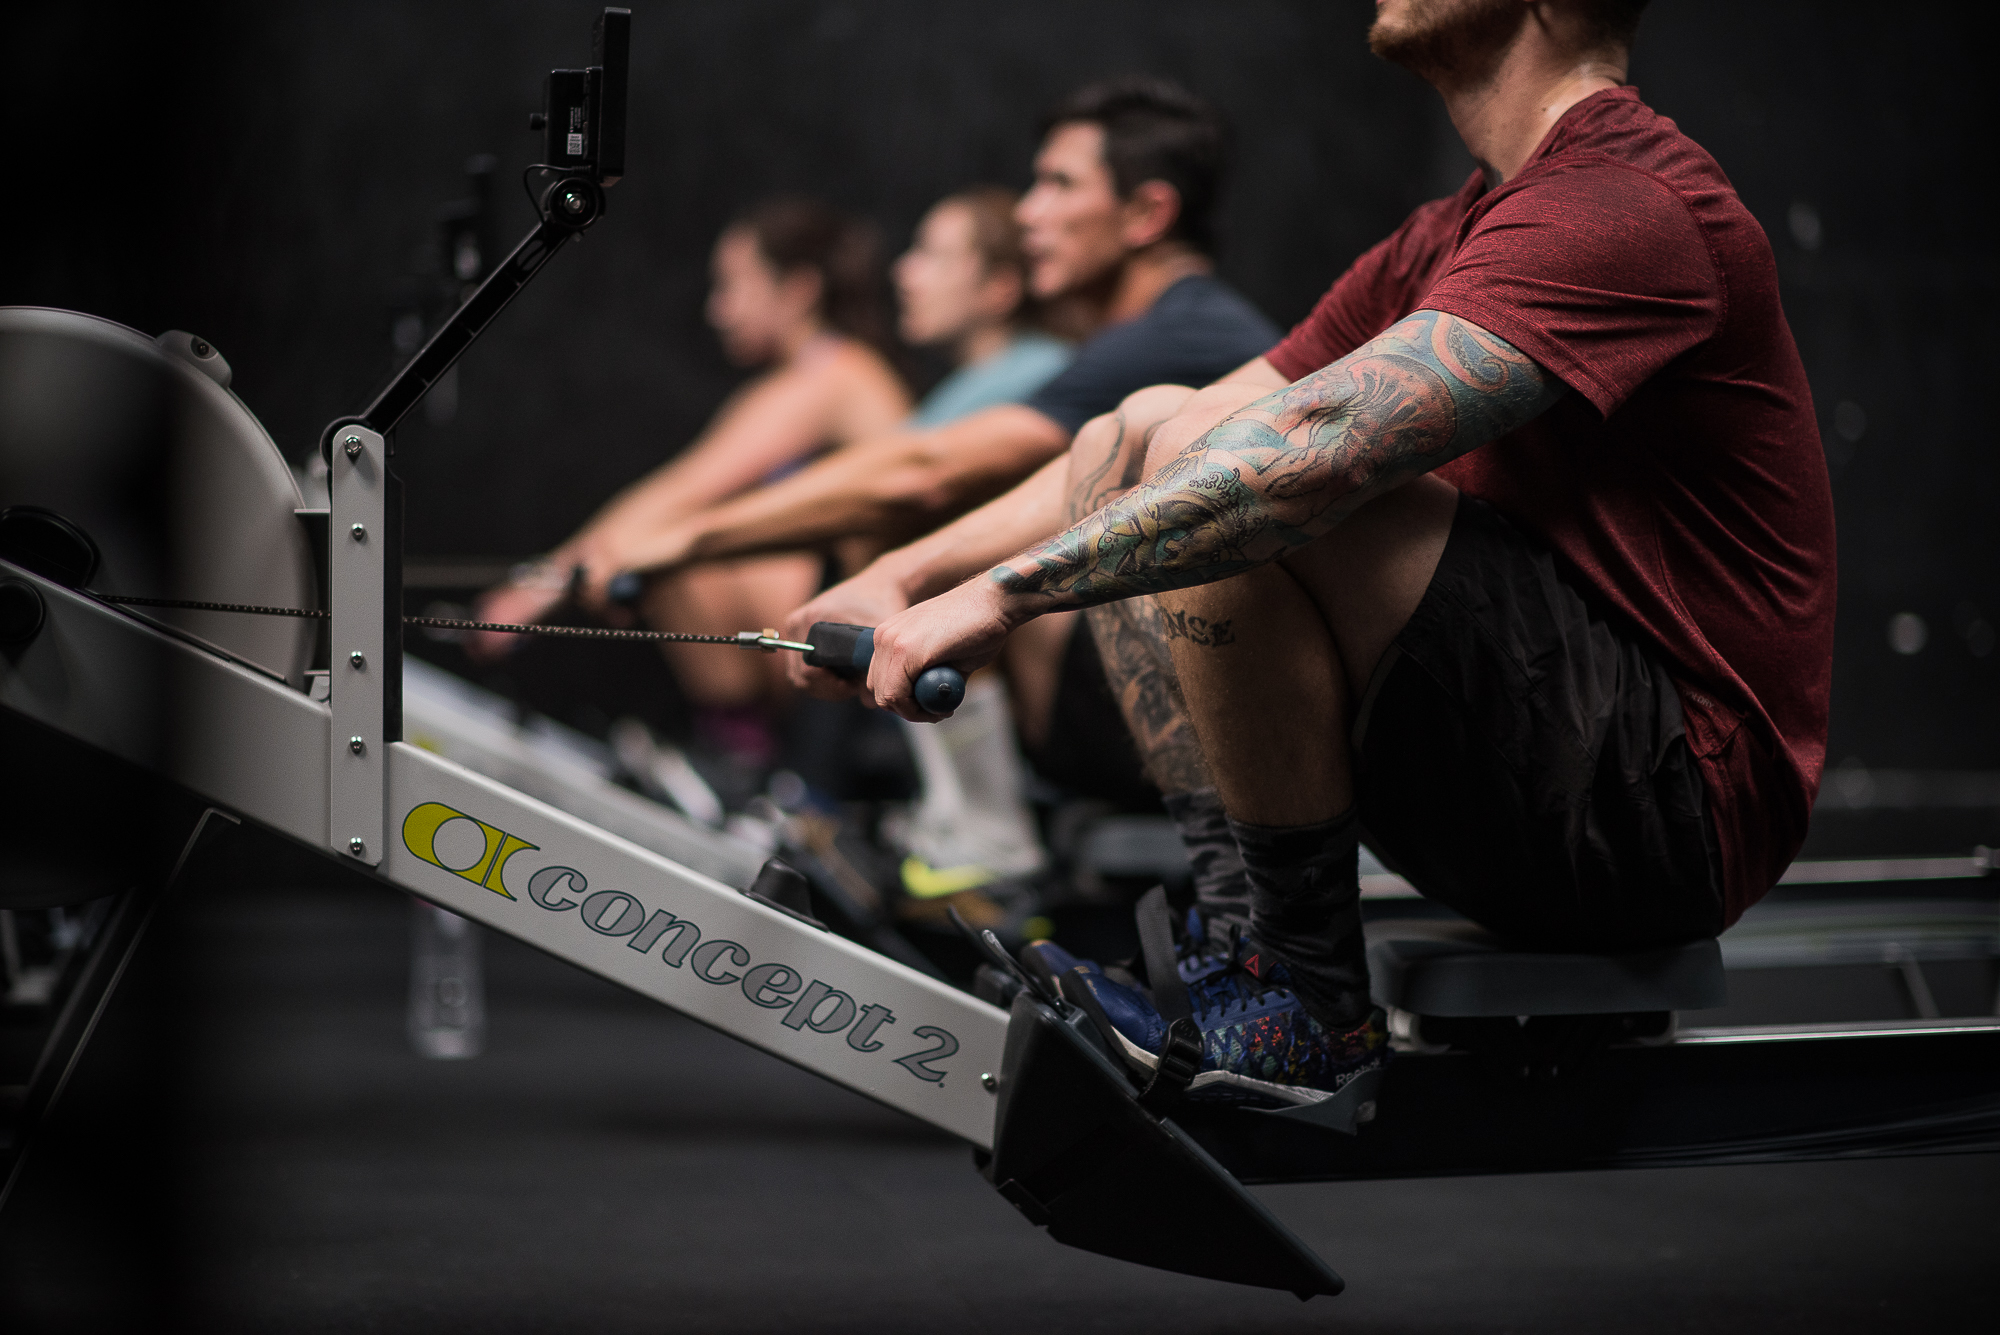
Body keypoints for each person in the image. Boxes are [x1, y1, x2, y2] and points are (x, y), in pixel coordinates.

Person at [841, 0, 1835, 1110]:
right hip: (1514, 778)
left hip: (1667, 812)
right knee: (1129, 434)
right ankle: (1247, 956)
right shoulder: (1454, 228)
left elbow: (1300, 452)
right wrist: (908, 578)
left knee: (1227, 464)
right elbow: (1136, 445)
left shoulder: (1625, 204)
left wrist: (999, 600)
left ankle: (1303, 1006)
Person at [594, 78, 1281, 775]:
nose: (1027, 212)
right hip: (1170, 683)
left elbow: (925, 474)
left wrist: (683, 538)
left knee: (953, 548)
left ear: (1146, 214)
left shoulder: (1176, 334)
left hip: (1230, 699)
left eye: (1057, 185)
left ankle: (936, 821)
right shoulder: (1147, 333)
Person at [469, 197, 909, 753]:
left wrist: (532, 593)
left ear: (798, 289)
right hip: (865, 635)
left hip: (880, 653)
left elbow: (683, 491)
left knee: (668, 546)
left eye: (733, 285)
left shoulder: (831, 376)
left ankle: (742, 756)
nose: (717, 310)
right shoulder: (825, 374)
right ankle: (744, 751)